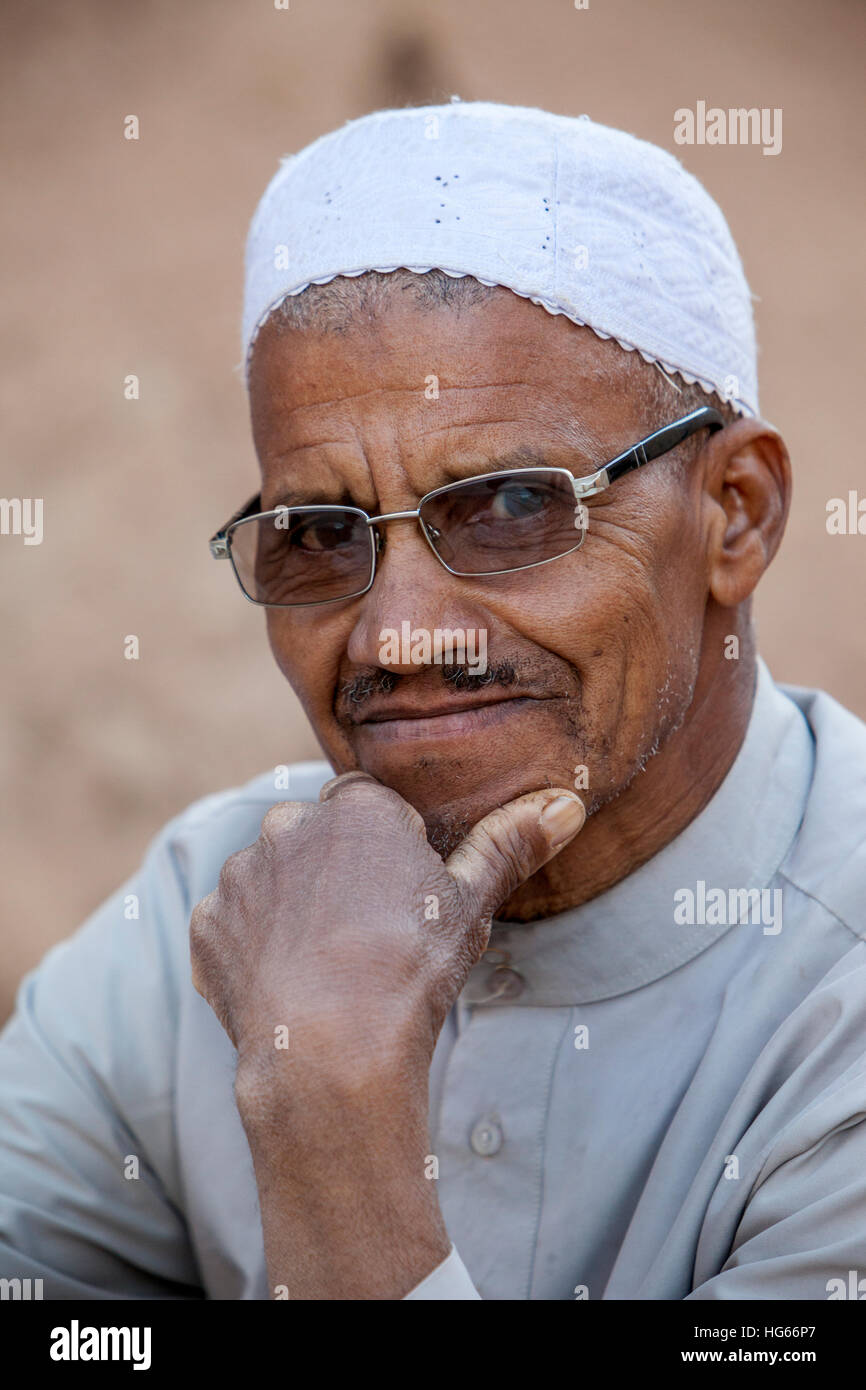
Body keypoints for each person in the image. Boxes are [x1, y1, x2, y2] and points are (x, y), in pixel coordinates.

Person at [2, 102, 865, 1302]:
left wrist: (332, 1119)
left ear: (735, 512)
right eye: (315, 533)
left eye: (511, 508)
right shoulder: (204, 916)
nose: (398, 633)